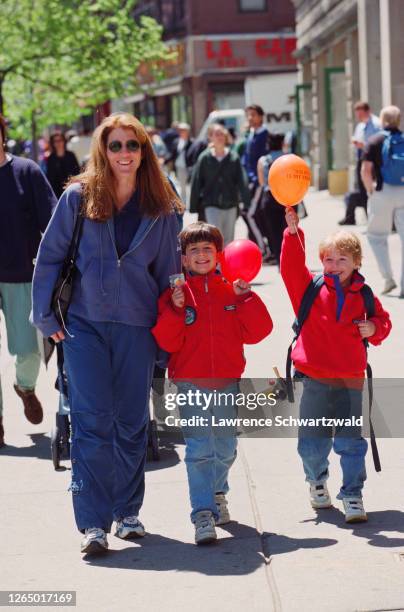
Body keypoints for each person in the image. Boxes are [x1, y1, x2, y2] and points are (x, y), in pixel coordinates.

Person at [31, 112, 183, 555]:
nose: (123, 154)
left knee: (133, 422)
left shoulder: (162, 205)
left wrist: (172, 334)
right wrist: (45, 317)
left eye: (132, 146)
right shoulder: (78, 198)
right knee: (92, 421)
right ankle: (93, 523)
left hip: (138, 326)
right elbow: (49, 258)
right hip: (84, 325)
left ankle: (128, 512)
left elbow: (169, 276)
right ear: (102, 150)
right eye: (115, 146)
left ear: (144, 151)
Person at [152, 222, 273, 544]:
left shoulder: (232, 290)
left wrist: (245, 298)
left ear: (219, 255)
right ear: (183, 259)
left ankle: (218, 491)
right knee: (199, 449)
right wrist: (176, 310)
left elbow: (259, 332)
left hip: (228, 383)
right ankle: (202, 513)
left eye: (208, 249)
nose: (201, 255)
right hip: (191, 383)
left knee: (225, 447)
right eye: (194, 250)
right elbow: (166, 341)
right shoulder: (176, 294)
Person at [281, 208, 391, 523]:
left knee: (350, 441)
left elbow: (383, 321)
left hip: (349, 380)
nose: (335, 265)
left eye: (343, 259)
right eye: (329, 259)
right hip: (314, 379)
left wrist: (375, 329)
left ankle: (353, 494)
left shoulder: (365, 294)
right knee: (311, 444)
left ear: (357, 262)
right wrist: (292, 234)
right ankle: (316, 480)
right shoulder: (311, 289)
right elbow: (290, 267)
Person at [0, 114, 56, 448]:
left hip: (21, 273)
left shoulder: (27, 171)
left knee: (28, 351)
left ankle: (25, 386)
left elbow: (52, 220)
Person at [361, 105, 404, 296]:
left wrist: (371, 191)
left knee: (376, 236)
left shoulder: (374, 140)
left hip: (383, 192)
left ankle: (388, 278)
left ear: (383, 120)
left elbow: (366, 171)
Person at [190, 124, 250, 245]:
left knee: (229, 239)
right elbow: (196, 181)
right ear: (210, 137)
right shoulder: (204, 158)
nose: (220, 137)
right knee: (216, 238)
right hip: (211, 204)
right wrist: (193, 205)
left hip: (231, 204)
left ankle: (226, 264)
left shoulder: (233, 157)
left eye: (222, 134)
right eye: (216, 134)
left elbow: (242, 180)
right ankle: (218, 265)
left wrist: (246, 201)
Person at [340, 102, 381, 225]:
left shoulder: (377, 124)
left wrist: (363, 144)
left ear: (367, 111)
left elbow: (377, 143)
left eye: (361, 114)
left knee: (372, 189)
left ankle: (375, 218)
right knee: (363, 190)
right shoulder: (360, 126)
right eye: (357, 114)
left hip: (373, 162)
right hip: (361, 160)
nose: (359, 116)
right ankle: (369, 218)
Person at [45, 131, 80, 198]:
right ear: (53, 143)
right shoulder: (51, 158)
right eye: (55, 141)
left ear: (64, 141)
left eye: (60, 140)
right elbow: (50, 177)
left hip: (72, 190)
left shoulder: (71, 155)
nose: (58, 143)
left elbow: (77, 172)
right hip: (57, 193)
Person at [173, 123, 193, 205]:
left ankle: (189, 202)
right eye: (180, 130)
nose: (181, 132)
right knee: (182, 186)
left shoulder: (191, 142)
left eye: (183, 130)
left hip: (188, 167)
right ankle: (183, 203)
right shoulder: (177, 141)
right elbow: (173, 154)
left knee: (189, 186)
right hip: (179, 166)